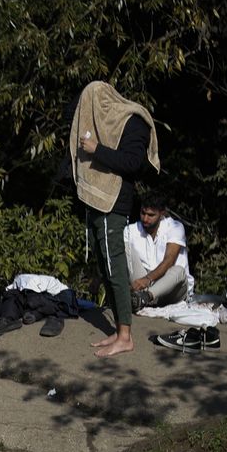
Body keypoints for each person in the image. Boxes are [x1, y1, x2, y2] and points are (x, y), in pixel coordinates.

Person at [70, 80, 160, 357]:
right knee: (103, 262)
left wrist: (97, 150)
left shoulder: (133, 122)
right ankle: (118, 331)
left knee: (114, 264)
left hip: (115, 202)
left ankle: (126, 335)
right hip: (97, 201)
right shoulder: (102, 124)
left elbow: (133, 164)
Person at [125, 193, 193, 309]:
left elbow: (169, 261)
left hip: (172, 291)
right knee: (123, 246)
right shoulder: (131, 230)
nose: (145, 219)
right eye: (143, 213)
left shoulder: (175, 227)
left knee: (179, 271)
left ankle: (146, 297)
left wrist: (147, 279)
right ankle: (141, 298)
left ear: (162, 213)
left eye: (151, 215)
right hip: (144, 286)